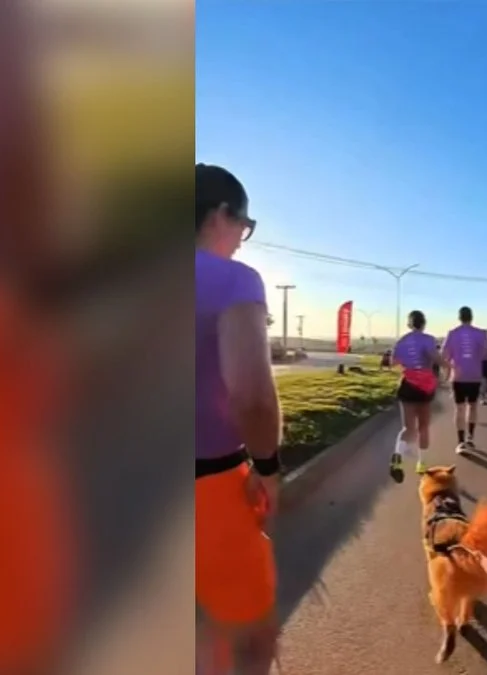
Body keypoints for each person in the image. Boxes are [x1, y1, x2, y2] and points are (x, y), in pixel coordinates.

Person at [195, 163, 281, 675]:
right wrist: (267, 468)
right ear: (220, 215)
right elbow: (251, 397)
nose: (241, 240)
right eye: (244, 227)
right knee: (248, 634)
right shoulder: (232, 279)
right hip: (207, 486)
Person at [389, 310, 440, 482]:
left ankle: (398, 455)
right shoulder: (429, 339)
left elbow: (393, 362)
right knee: (423, 427)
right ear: (424, 323)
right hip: (424, 387)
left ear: (409, 324)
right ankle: (422, 463)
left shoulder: (402, 341)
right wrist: (449, 366)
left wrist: (408, 361)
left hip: (407, 385)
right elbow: (435, 357)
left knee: (408, 428)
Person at [442, 306, 487, 455]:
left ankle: (460, 442)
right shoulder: (481, 333)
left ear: (459, 317)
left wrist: (447, 373)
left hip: (458, 375)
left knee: (459, 408)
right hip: (474, 375)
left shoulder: (452, 333)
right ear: (471, 317)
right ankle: (470, 437)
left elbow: (445, 355)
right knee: (473, 406)